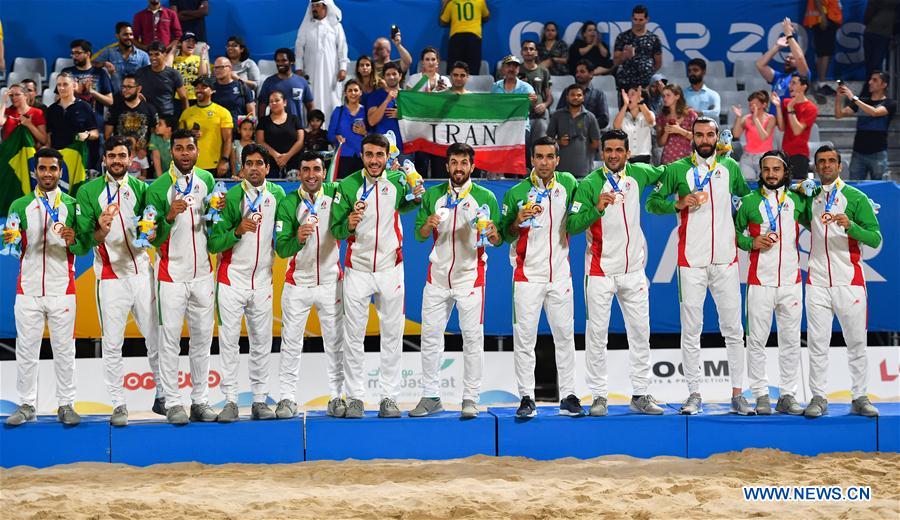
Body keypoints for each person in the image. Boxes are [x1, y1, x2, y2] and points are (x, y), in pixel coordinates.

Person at [646, 117, 753, 415]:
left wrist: (744, 236)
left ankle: (737, 393)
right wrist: (677, 204)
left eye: (710, 135)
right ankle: (694, 393)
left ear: (717, 137)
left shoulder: (730, 168)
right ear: (691, 137)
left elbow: (747, 200)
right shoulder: (677, 170)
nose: (705, 139)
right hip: (690, 262)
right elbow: (652, 203)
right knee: (691, 330)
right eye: (699, 135)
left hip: (726, 261)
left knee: (733, 329)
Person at [567, 129, 666, 416]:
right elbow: (572, 225)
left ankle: (641, 393)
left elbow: (669, 172)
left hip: (634, 271)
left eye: (618, 150)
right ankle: (599, 395)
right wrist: (596, 209)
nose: (612, 155)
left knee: (640, 333)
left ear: (627, 152)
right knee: (597, 335)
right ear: (601, 153)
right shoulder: (589, 184)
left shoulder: (639, 174)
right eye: (608, 150)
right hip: (599, 271)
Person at [329, 133, 425, 418]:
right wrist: (347, 223)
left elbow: (412, 203)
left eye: (379, 155)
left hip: (390, 268)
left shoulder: (396, 181)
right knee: (353, 336)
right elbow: (335, 230)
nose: (374, 160)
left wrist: (416, 191)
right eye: (369, 155)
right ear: (362, 156)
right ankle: (356, 397)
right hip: (357, 269)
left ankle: (389, 398)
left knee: (392, 336)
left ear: (387, 157)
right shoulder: (347, 186)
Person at [74, 136, 164, 425]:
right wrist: (100, 229)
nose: (116, 160)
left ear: (130, 158)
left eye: (122, 156)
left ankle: (163, 396)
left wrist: (150, 233)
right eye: (111, 155)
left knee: (155, 338)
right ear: (104, 159)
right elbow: (86, 240)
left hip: (141, 273)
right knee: (112, 343)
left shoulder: (141, 188)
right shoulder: (88, 192)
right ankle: (118, 404)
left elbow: (152, 227)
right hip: (110, 277)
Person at [410, 143, 502, 419]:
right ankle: (430, 395)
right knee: (430, 339)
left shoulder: (485, 197)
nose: (459, 168)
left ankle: (470, 398)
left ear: (472, 167)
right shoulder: (434, 196)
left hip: (470, 278)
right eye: (454, 162)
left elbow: (496, 240)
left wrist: (492, 232)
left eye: (464, 163)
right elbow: (419, 235)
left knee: (472, 340)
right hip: (437, 278)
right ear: (447, 166)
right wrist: (428, 223)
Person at [4, 148, 89, 427]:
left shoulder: (72, 205)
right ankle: (27, 404)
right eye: (43, 169)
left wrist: (72, 238)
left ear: (60, 172)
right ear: (35, 172)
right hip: (27, 289)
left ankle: (66, 404)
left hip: (62, 288)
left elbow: (82, 246)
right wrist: (11, 240)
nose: (48, 174)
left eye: (53, 169)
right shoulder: (19, 205)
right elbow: (13, 245)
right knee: (26, 351)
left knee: (65, 351)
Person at [498, 136, 581, 418]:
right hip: (527, 277)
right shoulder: (516, 192)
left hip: (560, 275)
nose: (544, 162)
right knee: (524, 340)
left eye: (549, 157)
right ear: (531, 159)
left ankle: (569, 395)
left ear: (557, 160)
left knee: (565, 337)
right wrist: (517, 220)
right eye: (539, 157)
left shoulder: (569, 184)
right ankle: (526, 397)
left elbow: (580, 218)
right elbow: (504, 234)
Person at [145, 129, 221, 424]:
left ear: (197, 151)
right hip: (171, 275)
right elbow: (150, 236)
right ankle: (173, 401)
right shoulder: (158, 188)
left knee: (202, 340)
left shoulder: (208, 181)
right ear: (171, 152)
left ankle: (200, 400)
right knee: (169, 341)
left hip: (203, 274)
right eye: (179, 148)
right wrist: (167, 216)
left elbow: (213, 226)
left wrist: (218, 215)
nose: (185, 153)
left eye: (190, 148)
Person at [802, 145, 881, 419]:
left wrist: (852, 226)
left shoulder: (856, 197)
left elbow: (875, 238)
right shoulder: (809, 196)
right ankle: (818, 397)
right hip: (817, 282)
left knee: (857, 343)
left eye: (831, 161)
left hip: (850, 281)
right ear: (815, 165)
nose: (826, 165)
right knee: (817, 343)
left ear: (840, 165)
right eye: (821, 161)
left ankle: (859, 396)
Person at [207, 143, 285, 422]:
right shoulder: (228, 198)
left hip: (263, 281)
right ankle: (229, 400)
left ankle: (261, 400)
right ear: (242, 169)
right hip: (231, 281)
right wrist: (237, 231)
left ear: (267, 167)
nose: (254, 168)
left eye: (259, 163)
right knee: (228, 342)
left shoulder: (277, 195)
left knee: (262, 342)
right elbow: (214, 243)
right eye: (248, 163)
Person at [275, 152, 347, 418]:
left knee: (335, 343)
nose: (311, 175)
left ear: (323, 171)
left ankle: (338, 396)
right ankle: (286, 398)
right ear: (299, 173)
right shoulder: (288, 202)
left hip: (331, 283)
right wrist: (296, 237)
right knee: (291, 343)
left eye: (316, 169)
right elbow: (282, 249)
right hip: (298, 284)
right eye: (306, 170)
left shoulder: (336, 194)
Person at [734, 150, 805, 416]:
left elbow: (819, 221)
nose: (771, 174)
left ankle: (787, 395)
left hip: (791, 283)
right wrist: (750, 242)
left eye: (777, 169)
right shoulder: (749, 202)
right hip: (760, 282)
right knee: (756, 341)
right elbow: (734, 234)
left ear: (785, 172)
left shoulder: (798, 200)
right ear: (760, 172)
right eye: (767, 169)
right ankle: (761, 395)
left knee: (790, 341)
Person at [836, 71, 896, 180]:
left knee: (878, 187)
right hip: (858, 152)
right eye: (870, 79)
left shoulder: (890, 103)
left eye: (875, 80)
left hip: (878, 153)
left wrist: (853, 98)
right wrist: (839, 97)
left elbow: (875, 112)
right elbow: (839, 114)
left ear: (884, 85)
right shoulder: (862, 101)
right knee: (855, 188)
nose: (870, 82)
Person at [63, 39, 114, 169]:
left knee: (95, 165)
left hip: (95, 125)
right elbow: (58, 99)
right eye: (73, 53)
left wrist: (92, 92)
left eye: (78, 53)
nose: (74, 56)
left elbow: (110, 101)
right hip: (72, 125)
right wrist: (74, 91)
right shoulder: (67, 72)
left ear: (88, 54)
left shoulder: (100, 73)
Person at [295, 0, 349, 121]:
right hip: (311, 72)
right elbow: (299, 47)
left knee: (332, 101)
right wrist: (298, 67)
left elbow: (342, 48)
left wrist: (343, 68)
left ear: (325, 7)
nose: (314, 8)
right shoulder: (306, 26)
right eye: (313, 6)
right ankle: (313, 133)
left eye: (317, 6)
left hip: (331, 73)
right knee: (312, 99)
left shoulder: (335, 26)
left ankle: (332, 131)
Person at [178, 76, 233, 176]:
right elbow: (179, 139)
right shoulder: (186, 113)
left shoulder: (223, 112)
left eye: (203, 87)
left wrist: (224, 160)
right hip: (191, 165)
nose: (199, 90)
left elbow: (228, 139)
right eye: (197, 87)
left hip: (215, 166)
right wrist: (190, 134)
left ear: (212, 90)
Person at [547, 85, 601, 177]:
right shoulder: (557, 115)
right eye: (572, 95)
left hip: (584, 170)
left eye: (579, 95)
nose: (576, 97)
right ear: (567, 97)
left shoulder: (590, 117)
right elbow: (548, 140)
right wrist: (559, 142)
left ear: (583, 97)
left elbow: (596, 143)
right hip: (560, 171)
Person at [492, 55, 537, 165]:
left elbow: (533, 105)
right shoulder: (495, 87)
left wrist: (533, 101)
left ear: (518, 69)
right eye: (509, 66)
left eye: (515, 66)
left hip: (520, 127)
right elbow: (492, 106)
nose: (511, 69)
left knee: (523, 161)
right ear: (503, 69)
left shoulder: (526, 88)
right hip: (500, 126)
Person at [755, 17, 810, 103]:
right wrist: (777, 46)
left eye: (791, 58)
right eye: (787, 57)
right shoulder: (778, 77)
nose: (787, 59)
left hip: (790, 115)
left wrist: (789, 35)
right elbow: (760, 65)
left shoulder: (803, 76)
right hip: (775, 116)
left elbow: (799, 57)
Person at [773, 74, 817, 178]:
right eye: (790, 83)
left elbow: (797, 130)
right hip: (785, 153)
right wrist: (778, 107)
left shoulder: (811, 108)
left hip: (800, 154)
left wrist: (790, 109)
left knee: (797, 189)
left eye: (794, 83)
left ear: (804, 86)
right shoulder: (786, 103)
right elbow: (781, 127)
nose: (790, 86)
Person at [258, 48, 315, 128]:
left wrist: (310, 126)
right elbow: (262, 107)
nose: (280, 63)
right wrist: (262, 127)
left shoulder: (302, 82)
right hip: (274, 130)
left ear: (292, 62)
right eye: (278, 61)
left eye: (284, 60)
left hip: (297, 130)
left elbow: (310, 106)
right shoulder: (269, 82)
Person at [45, 73, 100, 153]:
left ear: (74, 86)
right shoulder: (51, 109)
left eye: (65, 84)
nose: (61, 88)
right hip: (57, 158)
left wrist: (86, 134)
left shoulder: (85, 107)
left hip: (77, 156)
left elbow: (95, 133)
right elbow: (48, 135)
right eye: (59, 85)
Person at [104, 73, 159, 151]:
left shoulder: (150, 109)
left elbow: (155, 136)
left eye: (129, 87)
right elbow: (107, 135)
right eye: (123, 86)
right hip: (121, 153)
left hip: (143, 156)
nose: (124, 90)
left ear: (139, 89)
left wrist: (147, 149)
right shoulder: (114, 108)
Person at [613, 5, 662, 91]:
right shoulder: (623, 37)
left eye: (641, 20)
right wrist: (624, 56)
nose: (637, 22)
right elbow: (616, 62)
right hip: (626, 83)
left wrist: (647, 71)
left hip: (645, 85)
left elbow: (658, 63)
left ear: (647, 19)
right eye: (635, 19)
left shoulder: (654, 39)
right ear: (632, 18)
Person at [92, 22, 150, 93]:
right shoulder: (109, 52)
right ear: (117, 36)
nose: (129, 37)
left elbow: (149, 76)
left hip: (136, 98)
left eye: (131, 34)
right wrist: (104, 64)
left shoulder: (143, 55)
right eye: (125, 34)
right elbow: (91, 64)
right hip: (116, 98)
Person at [136, 41, 189, 119]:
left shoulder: (174, 74)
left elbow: (183, 97)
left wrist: (186, 117)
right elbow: (134, 92)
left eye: (157, 54)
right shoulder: (141, 72)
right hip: (147, 116)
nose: (153, 58)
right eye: (150, 54)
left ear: (164, 54)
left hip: (167, 116)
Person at [730, 90, 776, 181]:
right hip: (748, 157)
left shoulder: (771, 119)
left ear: (764, 105)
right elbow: (736, 134)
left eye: (755, 104)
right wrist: (738, 117)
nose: (752, 107)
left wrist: (755, 119)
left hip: (764, 157)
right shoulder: (746, 118)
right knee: (747, 184)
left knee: (765, 182)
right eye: (750, 105)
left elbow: (764, 137)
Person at [257, 91, 305, 177]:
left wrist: (287, 156)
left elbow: (300, 141)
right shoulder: (263, 121)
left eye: (277, 100)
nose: (273, 103)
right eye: (271, 101)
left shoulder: (294, 119)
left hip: (294, 163)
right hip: (270, 164)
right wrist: (276, 156)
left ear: (285, 102)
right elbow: (260, 141)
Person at [328, 79, 367, 179]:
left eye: (355, 90)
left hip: (363, 157)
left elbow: (375, 135)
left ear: (361, 92)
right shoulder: (338, 111)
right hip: (343, 157)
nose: (353, 93)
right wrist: (336, 137)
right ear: (345, 93)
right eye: (350, 90)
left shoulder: (367, 111)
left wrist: (364, 133)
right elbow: (330, 134)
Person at [556, 59, 610, 131]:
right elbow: (559, 113)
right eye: (577, 72)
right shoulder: (567, 91)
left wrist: (586, 126)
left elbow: (604, 119)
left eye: (582, 72)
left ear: (591, 74)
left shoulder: (598, 94)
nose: (578, 75)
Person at [440, 0, 490, 76]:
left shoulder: (452, 3)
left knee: (454, 70)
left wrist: (444, 4)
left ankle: (453, 87)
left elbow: (443, 22)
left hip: (456, 38)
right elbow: (486, 17)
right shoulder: (479, 1)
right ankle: (472, 87)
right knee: (473, 71)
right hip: (473, 38)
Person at [803, 0, 842, 96]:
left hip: (827, 18)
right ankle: (822, 84)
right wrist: (823, 16)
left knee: (824, 53)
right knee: (825, 53)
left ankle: (820, 83)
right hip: (825, 19)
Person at [366, 61, 405, 155]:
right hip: (381, 147)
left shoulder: (408, 97)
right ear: (384, 77)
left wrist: (401, 114)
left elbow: (416, 121)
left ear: (400, 76)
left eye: (394, 74)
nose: (391, 77)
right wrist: (387, 100)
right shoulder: (374, 96)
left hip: (404, 148)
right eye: (388, 74)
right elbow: (371, 121)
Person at [521, 40, 553, 142]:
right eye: (525, 49)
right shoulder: (517, 70)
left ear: (536, 52)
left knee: (539, 146)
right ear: (521, 52)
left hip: (539, 117)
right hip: (521, 117)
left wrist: (544, 105)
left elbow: (549, 97)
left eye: (531, 49)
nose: (528, 51)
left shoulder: (543, 71)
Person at [657, 83, 697, 165]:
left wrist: (680, 130)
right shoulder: (662, 117)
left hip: (686, 160)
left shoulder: (690, 115)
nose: (665, 98)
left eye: (668, 95)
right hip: (667, 159)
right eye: (663, 96)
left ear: (677, 96)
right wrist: (666, 132)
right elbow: (660, 143)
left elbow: (697, 137)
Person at [613, 86, 655, 163]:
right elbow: (616, 126)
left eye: (632, 94)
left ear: (641, 97)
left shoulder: (648, 114)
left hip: (644, 159)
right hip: (627, 159)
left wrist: (641, 103)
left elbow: (651, 121)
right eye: (627, 95)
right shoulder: (623, 116)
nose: (629, 97)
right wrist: (625, 105)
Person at [211, 56, 256, 127]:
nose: (217, 70)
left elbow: (251, 113)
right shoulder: (211, 89)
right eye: (216, 68)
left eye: (221, 67)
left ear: (230, 68)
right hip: (218, 132)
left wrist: (249, 131)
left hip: (238, 132)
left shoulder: (242, 86)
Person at [170, 32, 208, 105]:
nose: (191, 43)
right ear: (181, 44)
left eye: (193, 41)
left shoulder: (199, 59)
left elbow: (203, 76)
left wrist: (202, 55)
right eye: (187, 41)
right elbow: (166, 70)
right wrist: (173, 49)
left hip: (194, 97)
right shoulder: (175, 59)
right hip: (178, 97)